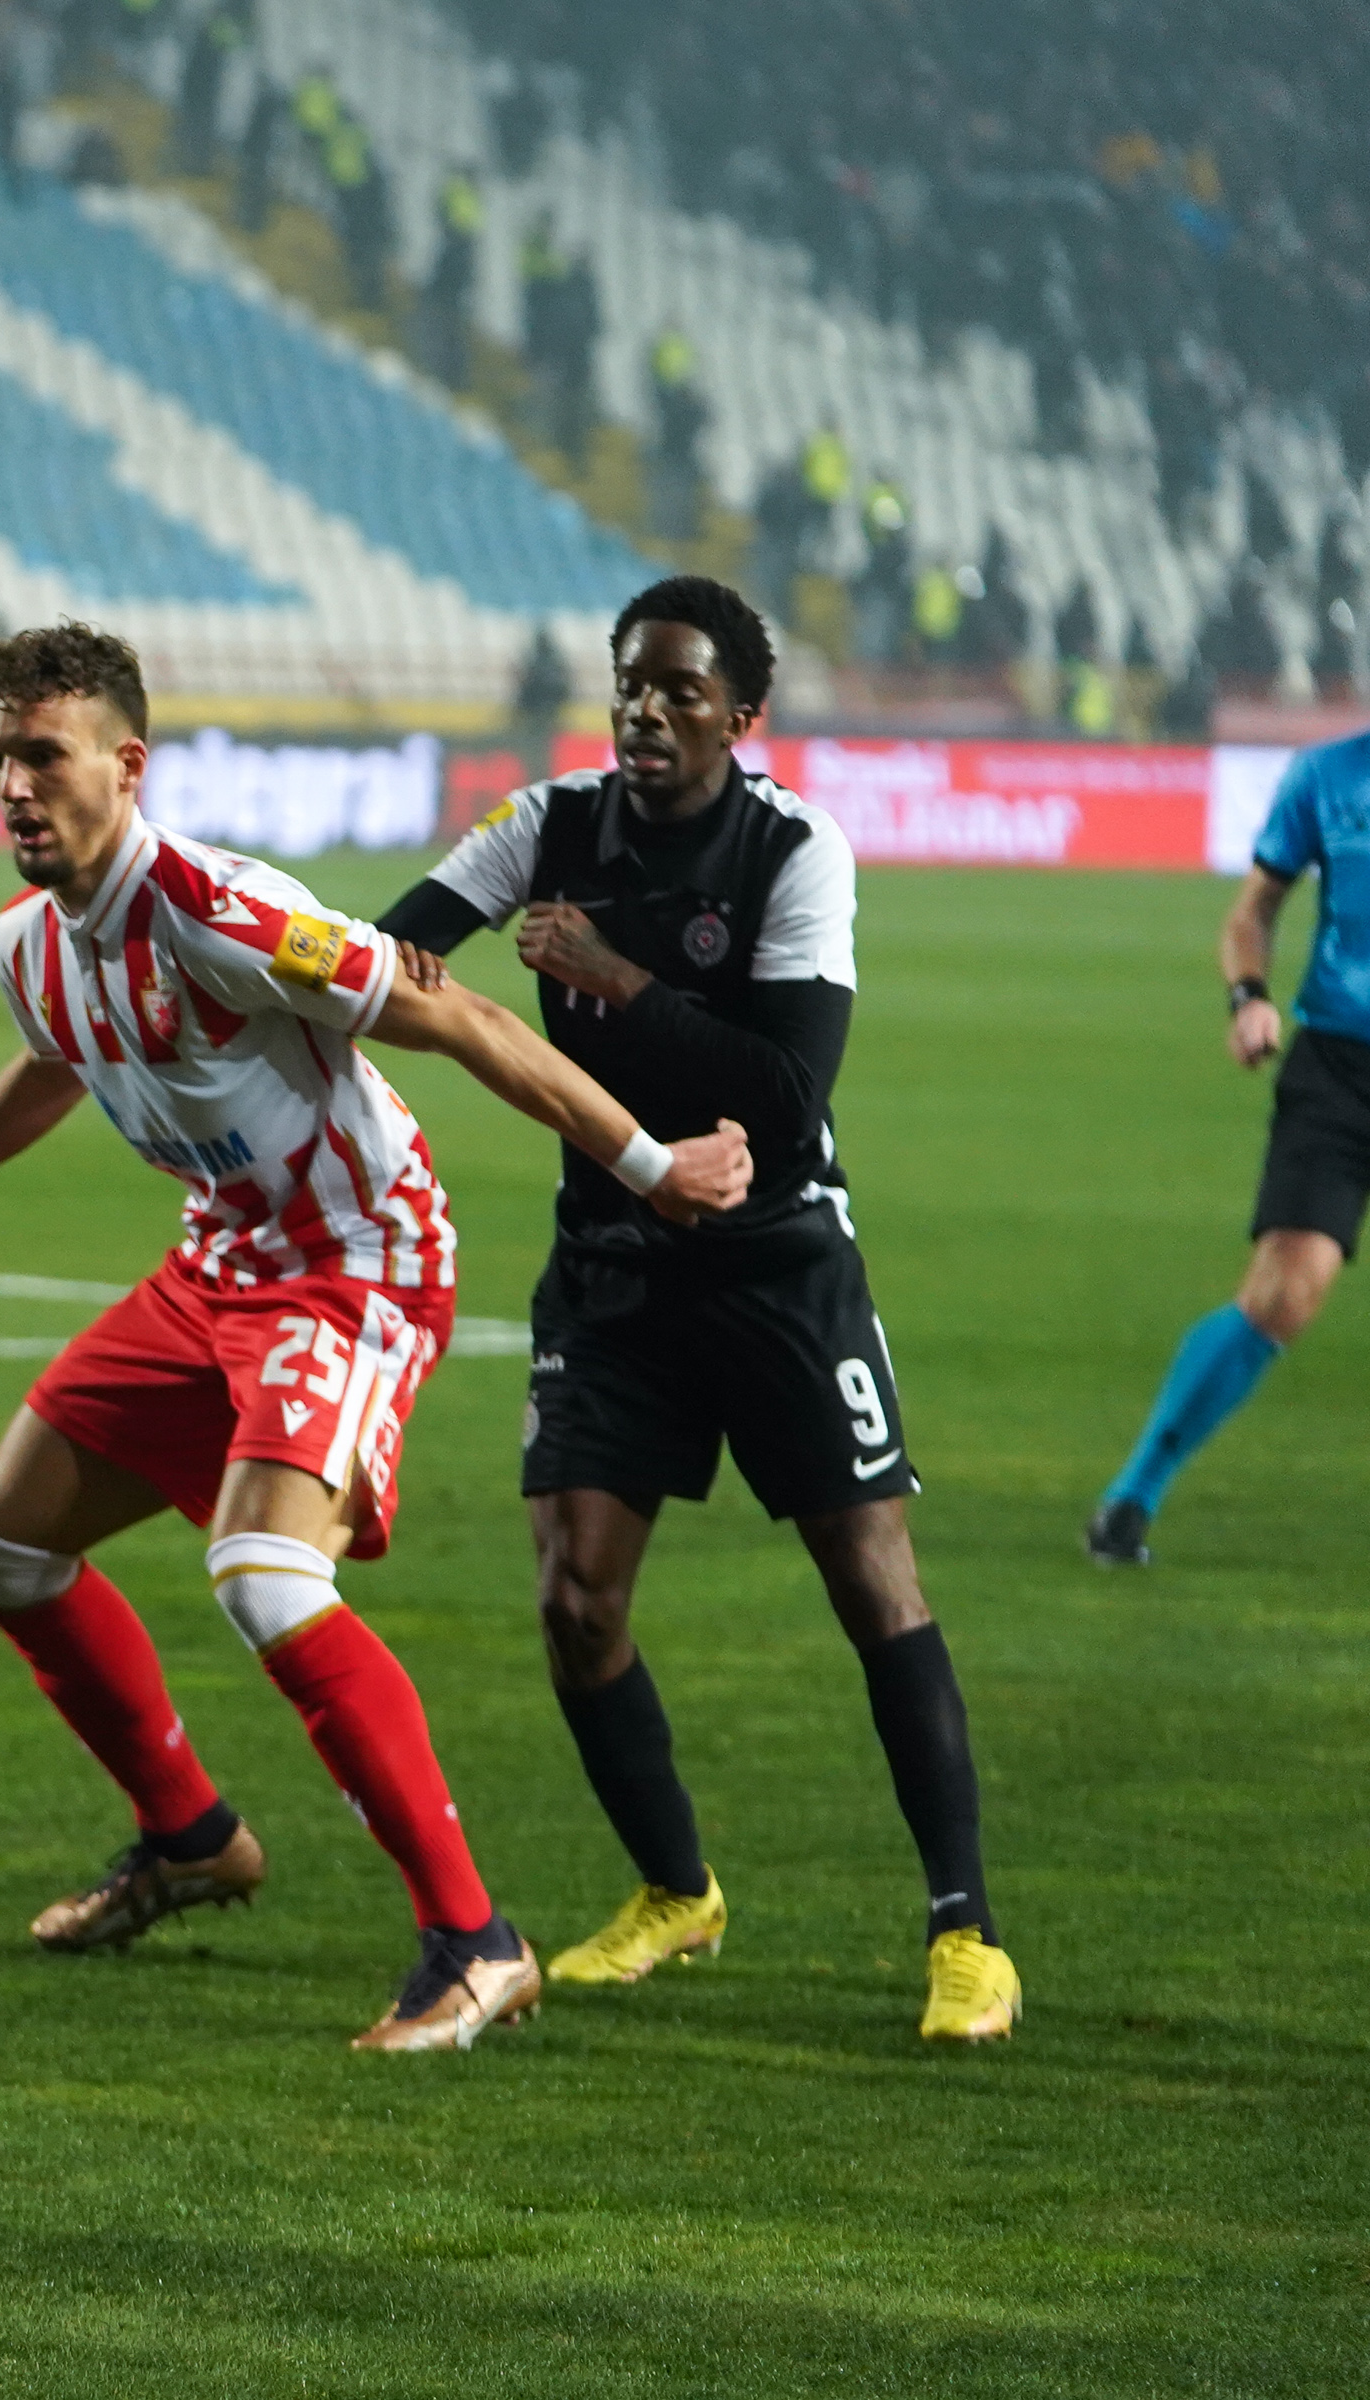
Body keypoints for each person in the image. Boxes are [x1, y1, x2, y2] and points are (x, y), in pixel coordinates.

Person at [0, 624, 751, 2051]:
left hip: (357, 1265)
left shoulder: (226, 913)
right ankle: (190, 1838)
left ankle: (475, 1942)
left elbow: (464, 1016)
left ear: (126, 766)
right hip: (221, 1266)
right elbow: (60, 1062)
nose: (12, 785)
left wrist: (654, 1167)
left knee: (262, 1575)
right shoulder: (29, 945)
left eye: (43, 755)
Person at [372, 575, 1021, 2044]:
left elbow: (785, 1101)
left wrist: (614, 977)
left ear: (743, 714)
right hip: (612, 1268)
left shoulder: (794, 850)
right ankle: (677, 1892)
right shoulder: (547, 825)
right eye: (631, 686)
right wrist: (382, 978)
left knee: (871, 1579)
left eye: (680, 690)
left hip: (776, 1263)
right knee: (575, 1598)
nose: (647, 713)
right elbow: (395, 950)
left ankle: (967, 1930)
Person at [1089, 725, 1370, 1564]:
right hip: (1339, 1068)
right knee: (1285, 1292)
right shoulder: (1327, 776)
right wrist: (1248, 996)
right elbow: (1255, 910)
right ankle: (1132, 1497)